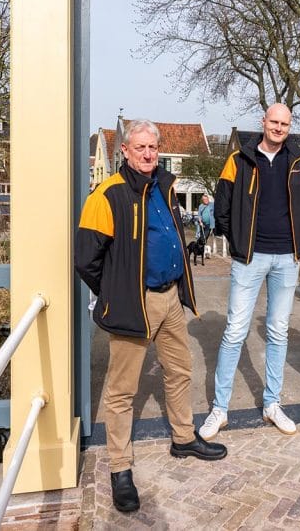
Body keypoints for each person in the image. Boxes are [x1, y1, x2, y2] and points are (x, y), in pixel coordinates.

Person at [75, 119, 227, 514]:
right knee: (122, 390)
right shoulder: (107, 195)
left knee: (180, 370)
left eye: (152, 148)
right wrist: (117, 294)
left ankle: (182, 437)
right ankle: (120, 469)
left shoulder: (165, 186)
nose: (147, 154)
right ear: (124, 150)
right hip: (134, 303)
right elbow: (85, 261)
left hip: (171, 298)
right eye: (139, 147)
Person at [199, 103, 300, 439]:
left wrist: (296, 240)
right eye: (274, 122)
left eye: (285, 123)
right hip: (249, 258)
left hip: (287, 259)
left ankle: (272, 404)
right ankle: (219, 409)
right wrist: (238, 243)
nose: (279, 128)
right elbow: (222, 206)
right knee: (235, 331)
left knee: (278, 331)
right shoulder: (238, 160)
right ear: (263, 122)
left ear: (289, 126)